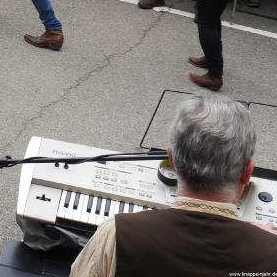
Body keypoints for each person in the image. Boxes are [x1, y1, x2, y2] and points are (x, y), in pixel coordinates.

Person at [72, 94, 277, 276]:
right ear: (247, 172)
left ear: (172, 160)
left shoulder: (116, 234)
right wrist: (263, 242)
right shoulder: (271, 254)